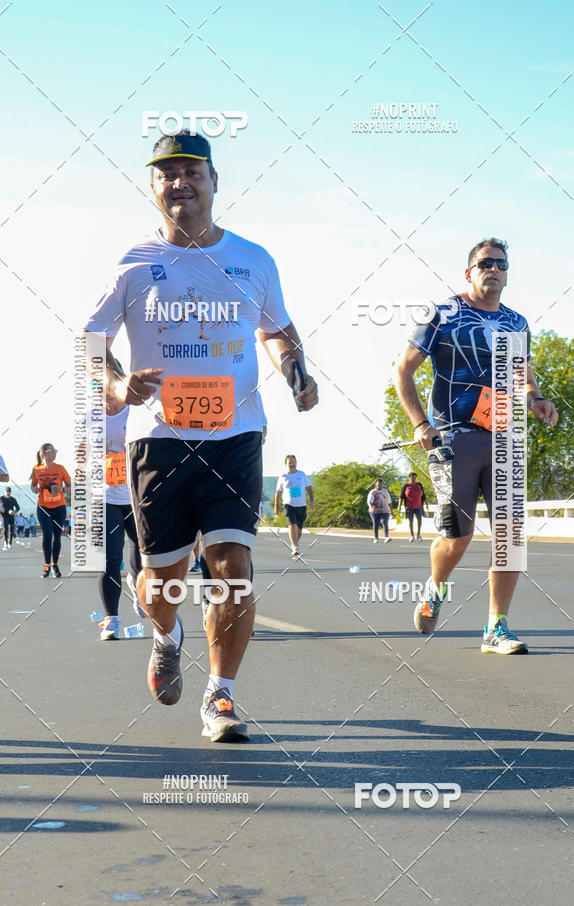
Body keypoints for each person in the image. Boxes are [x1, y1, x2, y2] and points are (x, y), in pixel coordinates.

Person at [83, 131, 318, 741]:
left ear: (215, 181)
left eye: (191, 172)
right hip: (157, 441)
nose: (179, 183)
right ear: (153, 187)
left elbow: (279, 330)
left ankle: (221, 695)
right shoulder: (132, 265)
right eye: (166, 174)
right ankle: (166, 635)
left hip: (235, 436)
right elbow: (91, 341)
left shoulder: (253, 259)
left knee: (231, 565)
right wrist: (116, 388)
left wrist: (296, 372)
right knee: (161, 580)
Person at [394, 238, 558, 655]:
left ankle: (496, 627)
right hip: (455, 436)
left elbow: (523, 375)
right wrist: (420, 424)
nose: (494, 269)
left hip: (505, 437)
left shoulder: (517, 323)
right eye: (485, 263)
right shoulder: (442, 314)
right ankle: (435, 586)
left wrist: (537, 399)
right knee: (458, 537)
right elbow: (404, 370)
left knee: (510, 535)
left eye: (501, 264)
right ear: (469, 272)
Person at [97, 401, 144, 641]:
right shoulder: (90, 417)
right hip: (107, 497)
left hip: (138, 495)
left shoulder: (136, 411)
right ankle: (111, 619)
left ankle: (138, 584)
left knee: (144, 553)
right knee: (111, 557)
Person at [30, 444, 71, 577]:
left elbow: (71, 486)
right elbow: (33, 484)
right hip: (43, 507)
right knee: (47, 535)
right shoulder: (37, 469)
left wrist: (63, 490)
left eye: (55, 451)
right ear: (43, 454)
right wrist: (34, 489)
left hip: (59, 507)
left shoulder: (60, 469)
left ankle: (55, 565)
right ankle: (46, 565)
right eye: (51, 451)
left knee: (57, 536)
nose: (54, 453)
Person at [274, 454, 314, 557]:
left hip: (301, 505)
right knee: (292, 524)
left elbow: (309, 488)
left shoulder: (302, 475)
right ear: (286, 464)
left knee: (299, 527)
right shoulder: (283, 477)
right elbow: (278, 492)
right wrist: (276, 506)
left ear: (296, 463)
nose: (291, 464)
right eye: (289, 463)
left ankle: (295, 543)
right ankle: (295, 547)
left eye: (293, 462)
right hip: (288, 504)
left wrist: (312, 500)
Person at [399, 473, 428, 542]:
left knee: (419, 519)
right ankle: (412, 535)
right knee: (411, 520)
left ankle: (418, 534)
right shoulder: (406, 486)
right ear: (409, 478)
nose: (413, 479)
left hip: (419, 506)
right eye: (412, 477)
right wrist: (399, 506)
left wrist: (426, 504)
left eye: (414, 477)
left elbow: (423, 495)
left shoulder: (419, 485)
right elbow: (401, 497)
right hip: (409, 506)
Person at [367, 478, 392, 543]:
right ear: (375, 485)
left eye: (381, 485)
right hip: (375, 511)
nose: (379, 486)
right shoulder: (373, 492)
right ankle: (376, 538)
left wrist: (391, 510)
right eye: (378, 485)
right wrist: (371, 507)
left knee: (384, 522)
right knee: (376, 523)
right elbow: (370, 502)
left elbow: (389, 501)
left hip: (384, 510)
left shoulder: (385, 491)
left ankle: (386, 537)